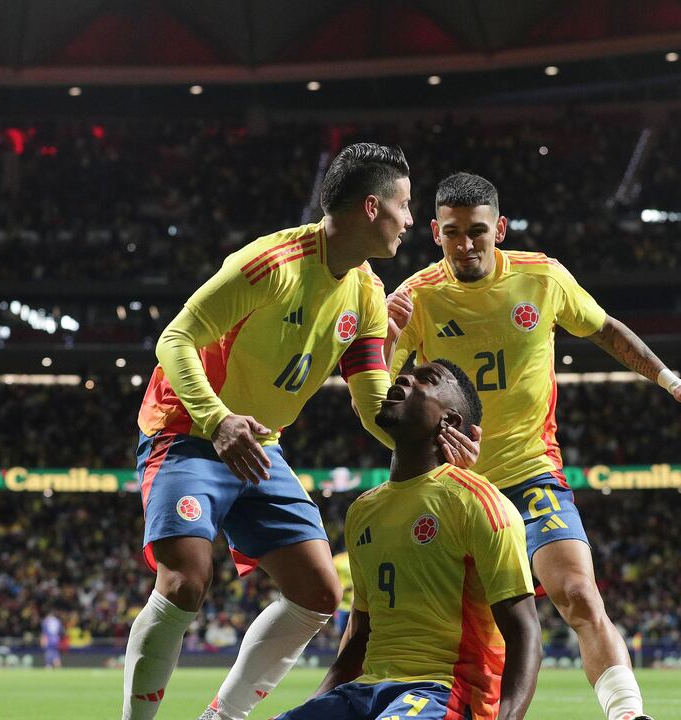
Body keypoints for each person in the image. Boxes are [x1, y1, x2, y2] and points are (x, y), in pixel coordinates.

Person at [122, 143, 480, 720]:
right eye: (406, 206)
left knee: (318, 593)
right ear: (371, 207)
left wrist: (436, 449)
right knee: (186, 579)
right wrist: (218, 421)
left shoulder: (365, 293)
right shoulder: (269, 264)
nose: (413, 221)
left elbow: (373, 405)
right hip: (189, 427)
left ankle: (221, 717)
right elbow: (174, 340)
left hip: (260, 444)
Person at [386, 173, 681, 720]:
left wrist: (670, 382)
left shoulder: (542, 277)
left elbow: (606, 329)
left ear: (502, 228)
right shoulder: (417, 297)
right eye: (453, 234)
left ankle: (629, 714)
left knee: (580, 595)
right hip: (454, 490)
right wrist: (385, 338)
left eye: (478, 232)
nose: (466, 245)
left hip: (530, 474)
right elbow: (383, 397)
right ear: (434, 232)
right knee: (449, 640)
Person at [275, 359, 540, 720]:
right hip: (366, 691)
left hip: (445, 689)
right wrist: (312, 707)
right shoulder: (363, 510)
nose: (403, 379)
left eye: (426, 381)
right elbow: (361, 636)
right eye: (404, 376)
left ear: (450, 422)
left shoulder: (478, 502)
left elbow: (524, 630)